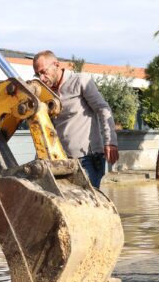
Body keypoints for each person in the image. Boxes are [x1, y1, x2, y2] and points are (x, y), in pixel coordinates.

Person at [31, 51, 118, 188]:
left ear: (57, 65)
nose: (41, 78)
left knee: (88, 205)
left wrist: (110, 142)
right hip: (59, 161)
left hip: (87, 159)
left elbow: (103, 109)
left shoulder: (80, 81)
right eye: (37, 74)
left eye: (44, 72)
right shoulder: (45, 93)